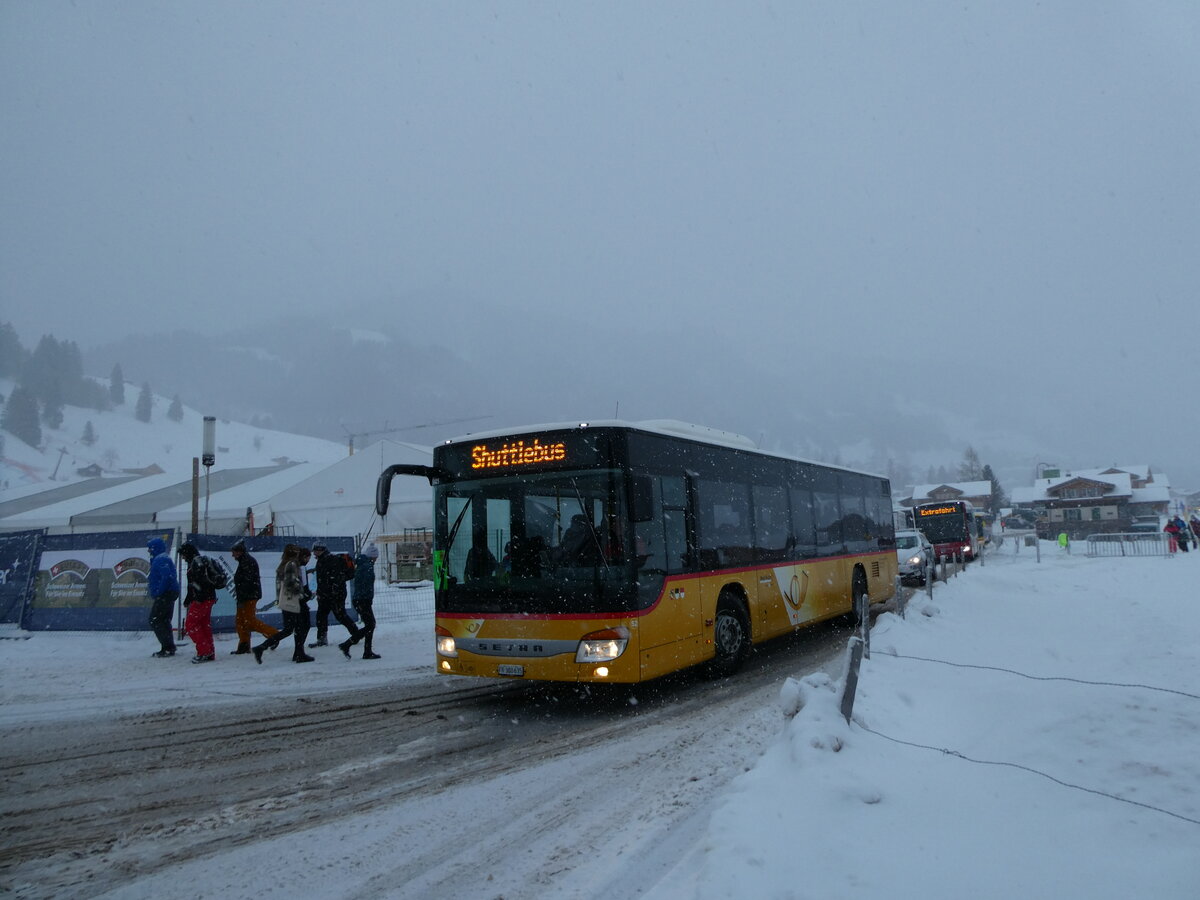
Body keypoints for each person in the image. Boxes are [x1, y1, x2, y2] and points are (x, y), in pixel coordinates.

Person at [253, 544, 316, 663]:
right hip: (294, 600)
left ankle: (296, 652)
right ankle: (297, 652)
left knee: (291, 628)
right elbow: (291, 583)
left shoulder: (283, 564)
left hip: (286, 600)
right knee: (300, 626)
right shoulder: (292, 564)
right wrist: (303, 595)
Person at [309, 542, 363, 648]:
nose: (314, 553)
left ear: (320, 550)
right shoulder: (322, 560)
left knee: (340, 616)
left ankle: (356, 634)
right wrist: (321, 592)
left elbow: (333, 578)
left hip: (335, 594)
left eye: (315, 551)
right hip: (328, 594)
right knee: (322, 616)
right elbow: (323, 580)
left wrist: (332, 591)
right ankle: (322, 639)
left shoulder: (330, 560)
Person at [230, 540, 277, 654]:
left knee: (249, 621)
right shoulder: (245, 561)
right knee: (240, 621)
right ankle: (244, 644)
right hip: (246, 596)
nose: (233, 555)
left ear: (240, 552)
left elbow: (247, 582)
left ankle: (274, 635)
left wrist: (242, 597)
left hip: (248, 597)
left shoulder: (247, 562)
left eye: (234, 552)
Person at [338, 542, 381, 660]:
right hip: (363, 600)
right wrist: (367, 598)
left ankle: (366, 651)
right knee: (370, 625)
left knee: (369, 625)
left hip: (359, 599)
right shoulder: (367, 566)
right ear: (373, 556)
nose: (377, 558)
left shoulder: (362, 564)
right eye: (376, 556)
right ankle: (348, 645)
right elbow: (365, 585)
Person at [178, 542, 218, 663]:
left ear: (187, 553)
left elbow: (196, 585)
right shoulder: (201, 561)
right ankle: (210, 651)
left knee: (191, 625)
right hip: (210, 598)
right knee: (204, 625)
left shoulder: (195, 564)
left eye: (183, 555)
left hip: (201, 600)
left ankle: (204, 651)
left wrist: (195, 599)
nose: (183, 558)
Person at [146, 536, 180, 658]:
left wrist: (159, 591)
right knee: (163, 620)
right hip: (168, 593)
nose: (149, 551)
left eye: (150, 548)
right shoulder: (162, 558)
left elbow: (167, 576)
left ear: (155, 548)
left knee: (155, 619)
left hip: (165, 594)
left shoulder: (160, 559)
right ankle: (168, 646)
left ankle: (167, 647)